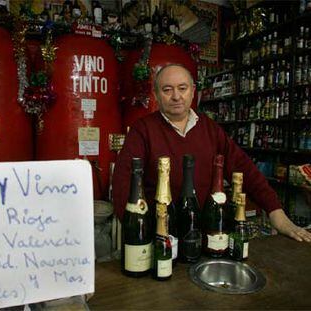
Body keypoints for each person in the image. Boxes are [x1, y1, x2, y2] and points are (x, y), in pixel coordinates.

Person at [112, 63, 311, 243]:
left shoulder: (209, 128)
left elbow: (244, 168)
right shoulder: (143, 130)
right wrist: (139, 233)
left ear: (193, 92)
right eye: (167, 89)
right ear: (156, 94)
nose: (176, 96)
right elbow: (123, 183)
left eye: (183, 88)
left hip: (205, 234)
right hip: (159, 235)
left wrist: (276, 213)